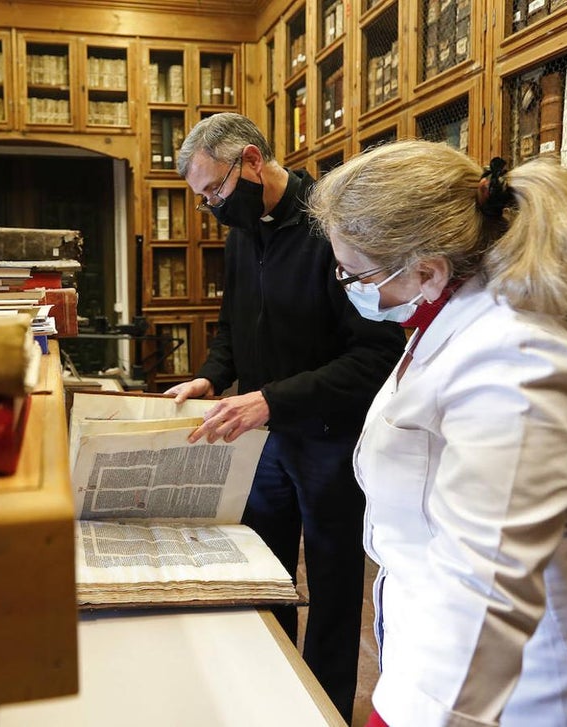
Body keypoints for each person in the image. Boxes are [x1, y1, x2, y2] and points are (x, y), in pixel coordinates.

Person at [308, 139, 567, 727]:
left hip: (541, 688)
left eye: (353, 274)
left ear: (426, 271)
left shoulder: (516, 360)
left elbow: (485, 581)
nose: (347, 286)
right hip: (453, 656)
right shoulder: (453, 322)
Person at [167, 112, 406, 722]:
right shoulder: (242, 231)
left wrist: (274, 399)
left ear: (250, 160)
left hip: (329, 439)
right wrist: (212, 375)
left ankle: (321, 708)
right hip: (264, 437)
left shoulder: (331, 227)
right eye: (202, 200)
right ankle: (268, 695)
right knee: (263, 574)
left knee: (330, 590)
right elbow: (234, 326)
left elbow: (376, 354)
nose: (213, 208)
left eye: (214, 191)